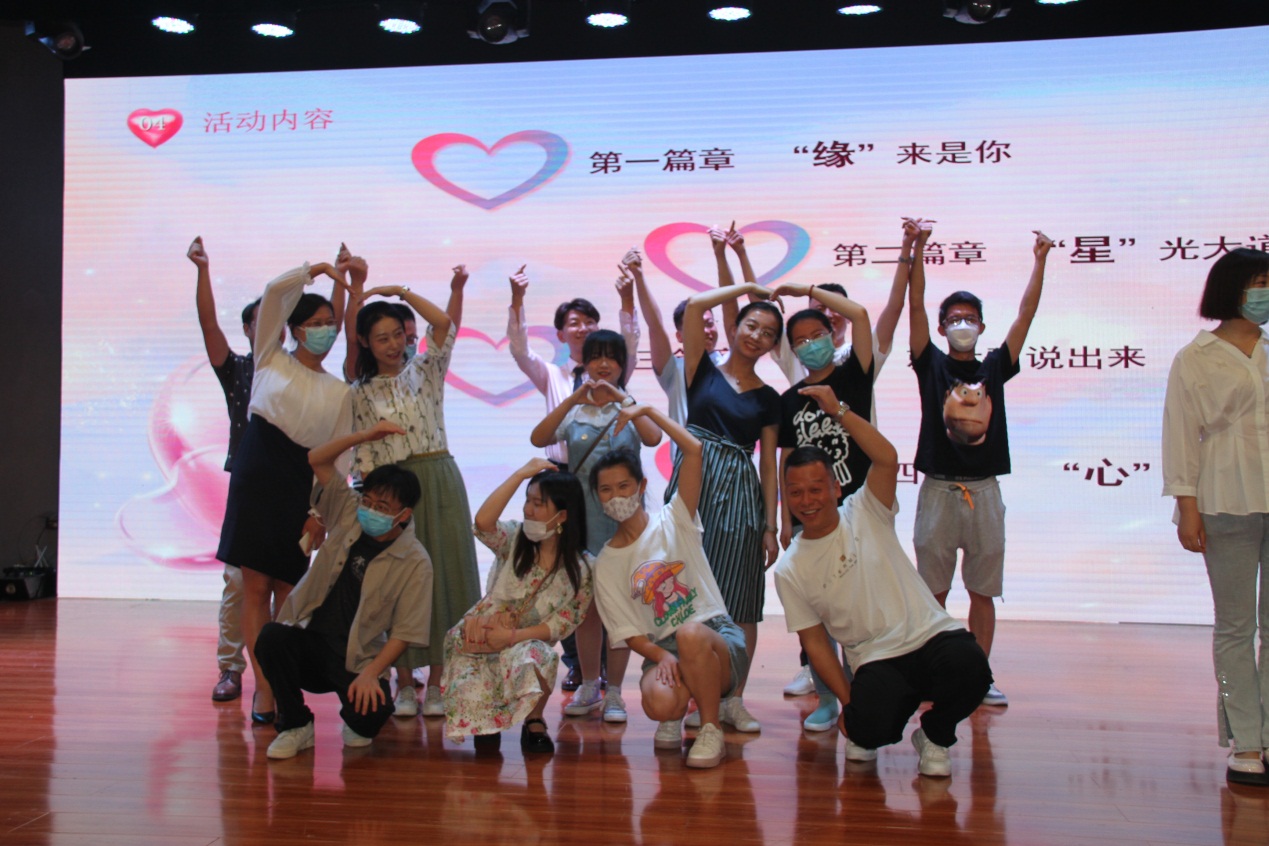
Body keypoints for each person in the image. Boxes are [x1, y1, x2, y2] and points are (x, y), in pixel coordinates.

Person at [774, 424, 992, 778]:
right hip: (877, 657)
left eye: (816, 489)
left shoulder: (865, 508)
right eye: (796, 492)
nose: (807, 500)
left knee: (973, 669)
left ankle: (935, 735)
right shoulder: (789, 569)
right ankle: (878, 715)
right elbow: (815, 644)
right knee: (865, 730)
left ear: (836, 488)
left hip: (929, 634)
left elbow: (887, 458)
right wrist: (850, 704)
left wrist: (838, 411)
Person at [908, 224, 1054, 708]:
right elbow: (914, 305)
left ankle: (978, 676)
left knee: (982, 592)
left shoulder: (994, 367)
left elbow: (1026, 314)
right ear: (941, 327)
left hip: (984, 491)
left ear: (982, 327)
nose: (961, 324)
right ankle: (931, 672)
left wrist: (1040, 260)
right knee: (933, 593)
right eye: (953, 318)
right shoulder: (931, 364)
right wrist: (919, 249)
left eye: (969, 318)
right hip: (938, 490)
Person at [341, 258, 481, 720]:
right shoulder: (360, 391)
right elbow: (362, 455)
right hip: (392, 490)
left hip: (439, 480)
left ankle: (437, 683)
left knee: (444, 577)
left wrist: (401, 291)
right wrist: (369, 501)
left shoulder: (426, 368)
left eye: (398, 335)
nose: (392, 344)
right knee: (398, 585)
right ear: (365, 342)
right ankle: (404, 683)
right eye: (380, 337)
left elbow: (444, 325)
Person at [216, 255, 352, 724]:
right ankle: (265, 688)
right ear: (293, 330)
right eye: (315, 324)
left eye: (330, 324)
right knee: (254, 588)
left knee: (290, 593)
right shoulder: (269, 357)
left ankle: (283, 681)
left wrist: (320, 511)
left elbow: (339, 459)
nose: (325, 331)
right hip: (257, 474)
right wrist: (313, 270)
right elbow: (275, 293)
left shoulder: (340, 391)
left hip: (302, 484)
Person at [256, 421, 433, 759]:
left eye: (382, 507)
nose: (370, 511)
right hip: (311, 642)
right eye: (368, 500)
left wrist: (371, 674)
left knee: (370, 719)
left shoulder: (416, 561)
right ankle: (295, 725)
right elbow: (317, 459)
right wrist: (364, 436)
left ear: (404, 515)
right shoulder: (349, 511)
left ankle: (355, 716)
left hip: (356, 658)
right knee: (272, 638)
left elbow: (405, 632)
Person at [590, 404, 748, 769]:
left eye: (624, 486)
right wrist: (661, 656)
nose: (616, 496)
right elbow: (628, 633)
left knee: (690, 634)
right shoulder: (606, 562)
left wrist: (647, 410)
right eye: (606, 490)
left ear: (642, 485)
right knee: (660, 702)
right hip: (665, 647)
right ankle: (676, 713)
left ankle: (710, 728)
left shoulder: (675, 518)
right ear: (598, 497)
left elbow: (693, 450)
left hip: (713, 634)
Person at [1163, 247, 1269, 786]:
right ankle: (1246, 740)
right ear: (1232, 289)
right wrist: (1187, 507)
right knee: (1235, 626)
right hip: (1226, 499)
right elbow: (1181, 435)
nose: (1265, 293)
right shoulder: (1196, 356)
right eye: (1259, 283)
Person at [507, 263, 641, 692]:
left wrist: (627, 299)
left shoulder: (619, 381)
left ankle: (608, 678)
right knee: (571, 581)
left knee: (613, 591)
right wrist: (516, 300)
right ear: (562, 334)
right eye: (573, 323)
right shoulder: (555, 375)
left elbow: (630, 342)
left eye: (588, 321)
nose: (582, 328)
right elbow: (519, 351)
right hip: (567, 478)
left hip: (612, 487)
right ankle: (579, 669)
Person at [670, 267, 783, 734]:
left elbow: (769, 465)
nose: (757, 336)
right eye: (751, 325)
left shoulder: (770, 398)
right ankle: (688, 697)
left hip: (739, 496)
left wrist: (771, 526)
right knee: (683, 596)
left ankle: (734, 697)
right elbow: (697, 306)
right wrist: (750, 289)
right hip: (692, 487)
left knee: (739, 598)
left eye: (768, 333)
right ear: (734, 328)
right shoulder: (701, 368)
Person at [530, 329, 662, 722]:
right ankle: (590, 685)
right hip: (583, 522)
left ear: (623, 365)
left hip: (624, 524)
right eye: (595, 357)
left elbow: (653, 438)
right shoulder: (575, 410)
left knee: (620, 611)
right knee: (586, 609)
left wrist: (624, 400)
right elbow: (539, 438)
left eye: (612, 358)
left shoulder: (630, 405)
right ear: (584, 363)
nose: (604, 364)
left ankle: (616, 692)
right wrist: (573, 399)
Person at [772, 281, 874, 731]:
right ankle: (828, 698)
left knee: (858, 612)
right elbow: (785, 463)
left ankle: (863, 697)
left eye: (818, 335)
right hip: (808, 521)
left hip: (858, 514)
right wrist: (784, 520)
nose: (810, 344)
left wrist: (807, 290)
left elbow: (862, 316)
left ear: (833, 334)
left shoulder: (855, 376)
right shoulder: (789, 400)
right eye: (800, 341)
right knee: (816, 616)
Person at [443, 459, 594, 754]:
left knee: (537, 656)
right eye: (527, 500)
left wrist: (511, 638)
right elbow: (483, 523)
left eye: (538, 503)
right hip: (484, 635)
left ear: (563, 515)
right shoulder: (514, 539)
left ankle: (534, 720)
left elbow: (562, 623)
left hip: (524, 642)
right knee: (486, 746)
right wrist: (520, 474)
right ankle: (485, 719)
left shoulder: (582, 567)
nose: (528, 509)